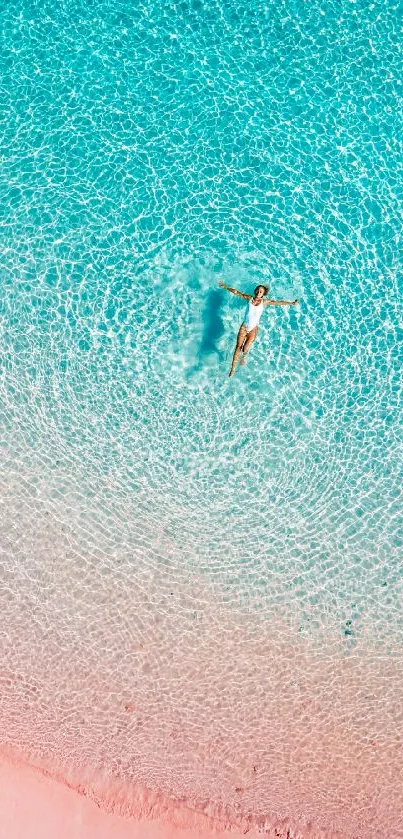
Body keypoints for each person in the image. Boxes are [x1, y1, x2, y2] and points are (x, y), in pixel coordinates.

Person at [218, 282, 298, 377]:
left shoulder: (264, 302)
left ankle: (244, 357)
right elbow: (237, 292)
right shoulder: (249, 298)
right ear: (255, 291)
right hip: (244, 327)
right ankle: (233, 368)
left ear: (263, 294)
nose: (258, 292)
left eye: (261, 291)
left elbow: (278, 303)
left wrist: (291, 303)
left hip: (253, 329)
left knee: (245, 348)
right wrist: (225, 286)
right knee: (238, 347)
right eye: (257, 290)